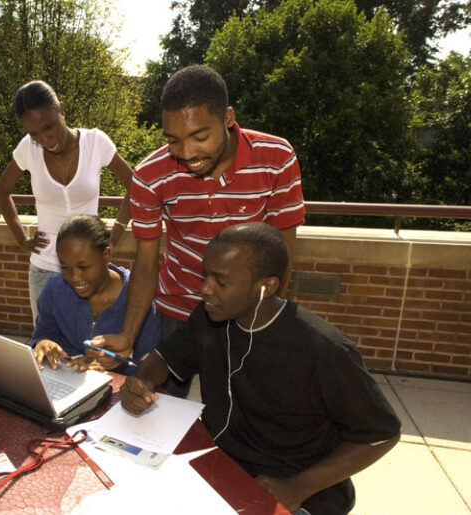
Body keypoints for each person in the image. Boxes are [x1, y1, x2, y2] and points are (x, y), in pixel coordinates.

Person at [120, 223, 401, 514]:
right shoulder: (208, 318)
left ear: (266, 286)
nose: (205, 289)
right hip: (222, 467)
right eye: (206, 275)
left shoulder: (323, 348)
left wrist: (299, 487)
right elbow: (164, 358)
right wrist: (141, 381)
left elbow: (382, 433)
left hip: (297, 491)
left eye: (221, 281)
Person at [91, 64, 306, 395]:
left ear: (228, 118)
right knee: (154, 409)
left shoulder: (276, 158)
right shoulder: (149, 175)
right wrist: (128, 336)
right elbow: (147, 263)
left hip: (244, 311)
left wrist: (267, 325)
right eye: (174, 140)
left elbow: (283, 255)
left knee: (237, 417)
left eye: (200, 137)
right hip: (175, 310)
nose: (187, 154)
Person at [0, 80, 134, 323]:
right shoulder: (28, 149)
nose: (45, 139)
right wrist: (21, 238)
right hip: (44, 269)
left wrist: (115, 235)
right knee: (47, 350)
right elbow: (2, 192)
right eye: (33, 133)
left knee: (92, 349)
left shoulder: (95, 142)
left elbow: (135, 186)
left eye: (49, 126)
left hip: (90, 270)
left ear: (61, 109)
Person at [31, 215, 159, 375]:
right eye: (65, 267)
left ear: (106, 255)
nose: (74, 277)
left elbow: (149, 367)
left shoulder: (138, 301)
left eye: (83, 266)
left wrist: (116, 367)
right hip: (66, 382)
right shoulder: (55, 289)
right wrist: (42, 343)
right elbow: (44, 332)